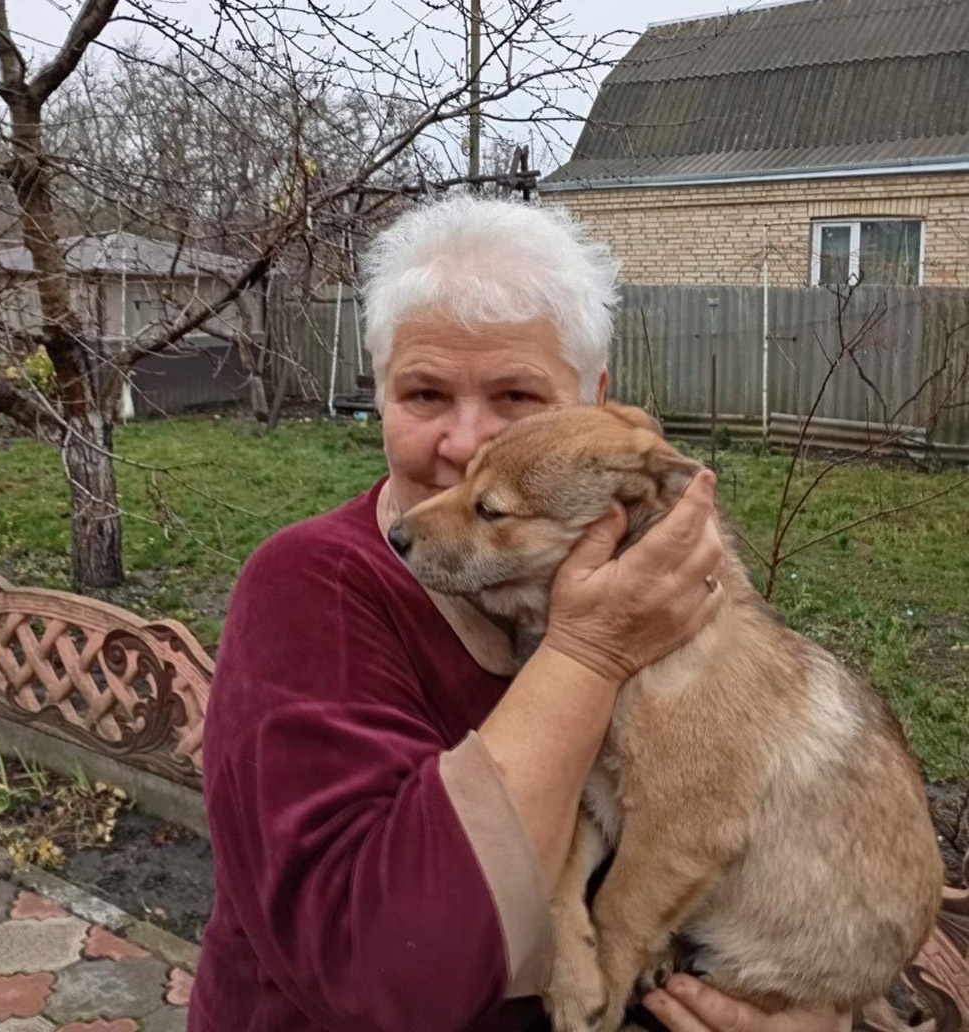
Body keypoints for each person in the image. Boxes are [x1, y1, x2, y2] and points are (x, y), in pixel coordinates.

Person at [188, 196, 849, 1032]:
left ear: (595, 403)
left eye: (517, 397)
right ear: (380, 395)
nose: (467, 443)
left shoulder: (664, 596)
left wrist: (803, 1007)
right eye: (424, 393)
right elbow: (383, 975)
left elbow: (733, 834)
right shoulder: (311, 587)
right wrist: (588, 653)